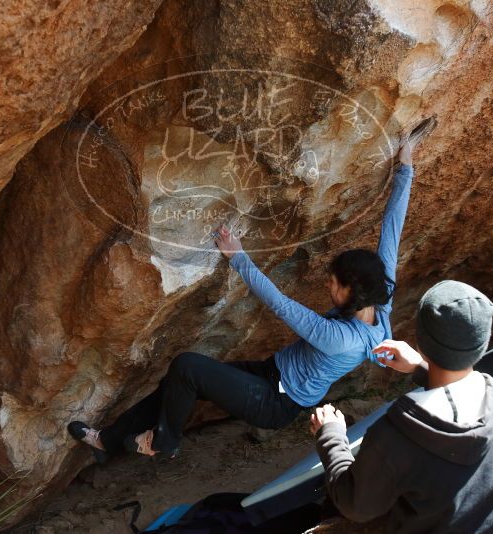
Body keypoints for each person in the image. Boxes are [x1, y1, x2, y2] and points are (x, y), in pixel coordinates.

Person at [67, 119, 435, 462]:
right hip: (269, 373)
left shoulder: (340, 338)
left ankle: (165, 441)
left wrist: (238, 256)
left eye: (334, 284)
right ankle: (108, 442)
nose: (328, 285)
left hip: (275, 403)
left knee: (187, 366)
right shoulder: (378, 301)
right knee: (177, 383)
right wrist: (405, 164)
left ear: (352, 293)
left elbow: (281, 305)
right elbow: (393, 229)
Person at [311, 280, 493, 533]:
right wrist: (420, 368)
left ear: (421, 340)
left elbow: (356, 505)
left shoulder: (401, 435)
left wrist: (330, 435)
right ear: (482, 341)